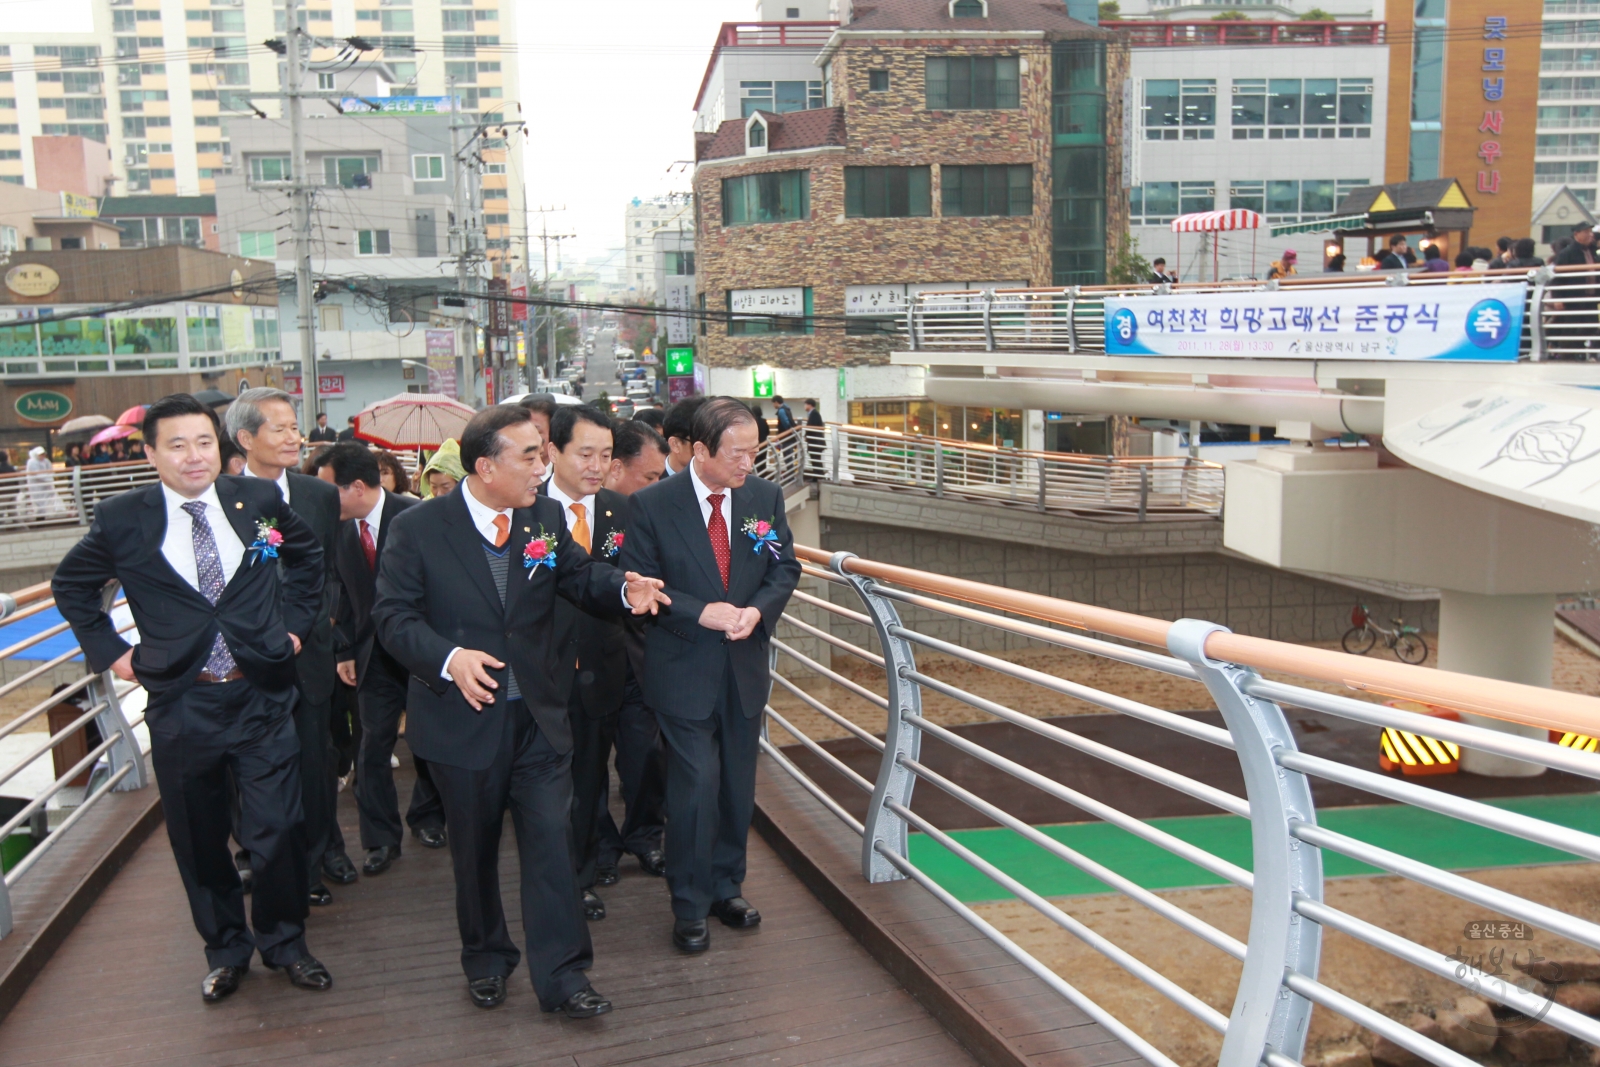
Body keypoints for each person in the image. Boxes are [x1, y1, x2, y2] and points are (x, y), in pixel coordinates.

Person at [371, 404, 668, 1016]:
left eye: (542, 452)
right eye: (529, 456)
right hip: (463, 719)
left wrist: (622, 588)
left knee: (551, 847)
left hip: (537, 718)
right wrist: (449, 657)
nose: (542, 466)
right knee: (474, 851)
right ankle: (485, 957)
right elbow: (393, 617)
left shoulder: (544, 516)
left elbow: (579, 577)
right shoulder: (419, 528)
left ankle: (564, 977)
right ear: (484, 466)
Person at [51, 393, 333, 1003]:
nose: (194, 456)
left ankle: (286, 942)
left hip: (260, 694)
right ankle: (227, 949)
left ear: (222, 446)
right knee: (199, 838)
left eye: (204, 442)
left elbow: (307, 559)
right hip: (182, 701)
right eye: (176, 445)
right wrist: (112, 653)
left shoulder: (256, 500)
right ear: (151, 453)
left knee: (279, 828)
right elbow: (71, 585)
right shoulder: (124, 518)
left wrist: (292, 624)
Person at [619, 398, 801, 954]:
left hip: (743, 666)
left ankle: (728, 887)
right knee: (694, 786)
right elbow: (640, 582)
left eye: (754, 452)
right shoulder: (652, 505)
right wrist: (699, 611)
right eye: (737, 454)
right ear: (699, 451)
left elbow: (782, 565)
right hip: (682, 665)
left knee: (736, 788)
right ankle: (689, 902)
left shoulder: (763, 497)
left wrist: (758, 611)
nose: (748, 464)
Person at [227, 388, 357, 902]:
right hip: (247, 659)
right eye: (277, 428)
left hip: (310, 651)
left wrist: (323, 633)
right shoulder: (221, 496)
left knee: (315, 759)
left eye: (293, 425)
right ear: (245, 438)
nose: (292, 436)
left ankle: (317, 856)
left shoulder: (317, 495)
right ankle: (264, 861)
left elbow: (326, 572)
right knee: (252, 767)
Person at [312, 443, 447, 873]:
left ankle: (427, 817)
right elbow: (345, 594)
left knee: (428, 743)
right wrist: (345, 650)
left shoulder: (415, 517)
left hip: (422, 651)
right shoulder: (336, 528)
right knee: (371, 748)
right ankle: (380, 839)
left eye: (327, 489)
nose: (321, 500)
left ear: (355, 486)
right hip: (371, 654)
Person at [540, 405, 635, 920]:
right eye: (585, 454)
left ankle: (582, 872)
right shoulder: (527, 510)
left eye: (605, 455)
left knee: (591, 773)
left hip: (602, 666)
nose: (597, 466)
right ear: (553, 452)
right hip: (542, 673)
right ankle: (563, 878)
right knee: (549, 784)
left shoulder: (621, 511)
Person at [597, 420, 669, 886]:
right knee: (584, 766)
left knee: (645, 756)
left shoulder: (647, 512)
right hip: (580, 664)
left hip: (639, 657)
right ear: (615, 466)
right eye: (649, 478)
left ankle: (644, 837)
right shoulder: (550, 512)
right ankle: (599, 848)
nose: (657, 487)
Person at [1552, 222, 1598, 360]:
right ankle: (1567, 354)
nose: (1590, 234)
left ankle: (1579, 350)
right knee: (1571, 326)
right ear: (1576, 234)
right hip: (1574, 296)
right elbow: (1557, 276)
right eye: (1586, 232)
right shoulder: (1567, 253)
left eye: (1590, 231)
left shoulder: (1592, 251)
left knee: (1591, 326)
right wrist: (1557, 297)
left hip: (1591, 296)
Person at [660, 395, 708, 477]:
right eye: (702, 445)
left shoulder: (727, 483)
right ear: (675, 444)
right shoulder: (651, 482)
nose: (713, 452)